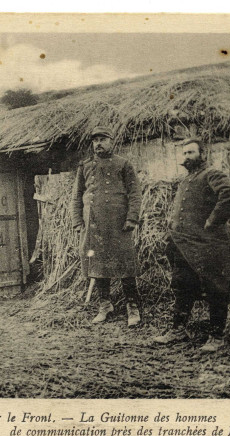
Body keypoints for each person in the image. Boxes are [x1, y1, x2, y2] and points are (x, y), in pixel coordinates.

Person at [152, 138, 230, 352]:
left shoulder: (211, 174)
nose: (186, 157)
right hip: (185, 245)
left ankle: (216, 335)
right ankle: (178, 329)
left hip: (209, 244)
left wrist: (213, 221)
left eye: (191, 152)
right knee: (183, 286)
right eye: (184, 153)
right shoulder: (187, 181)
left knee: (216, 288)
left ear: (202, 154)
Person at [71, 126, 143, 326]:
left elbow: (135, 193)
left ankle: (132, 307)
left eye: (103, 139)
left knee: (126, 266)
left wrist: (132, 219)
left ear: (112, 141)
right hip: (93, 225)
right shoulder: (85, 166)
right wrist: (78, 222)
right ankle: (105, 305)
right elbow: (76, 197)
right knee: (97, 265)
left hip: (118, 225)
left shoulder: (123, 164)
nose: (98, 144)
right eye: (95, 140)